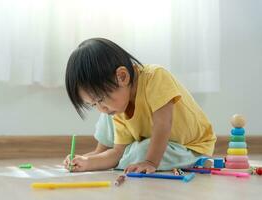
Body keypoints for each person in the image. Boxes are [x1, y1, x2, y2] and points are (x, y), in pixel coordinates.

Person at [64, 38, 216, 173]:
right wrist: (88, 162)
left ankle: (196, 162)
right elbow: (118, 152)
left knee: (142, 151)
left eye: (100, 99)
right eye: (93, 104)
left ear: (122, 77)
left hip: (191, 148)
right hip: (161, 143)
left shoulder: (155, 77)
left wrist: (150, 162)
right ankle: (103, 154)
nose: (100, 108)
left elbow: (163, 124)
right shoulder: (120, 106)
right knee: (117, 129)